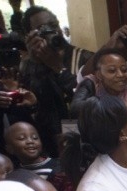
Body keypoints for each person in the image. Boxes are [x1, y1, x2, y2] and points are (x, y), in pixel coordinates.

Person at [20, 5, 93, 157]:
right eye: (42, 29)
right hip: (47, 139)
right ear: (29, 36)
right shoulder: (28, 65)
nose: (51, 32)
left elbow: (90, 99)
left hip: (85, 136)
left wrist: (58, 67)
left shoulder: (83, 57)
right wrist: (36, 64)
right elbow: (29, 105)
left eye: (53, 25)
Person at [70, 48, 127, 119]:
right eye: (112, 71)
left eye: (124, 70)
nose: (120, 75)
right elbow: (75, 110)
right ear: (99, 75)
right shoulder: (91, 83)